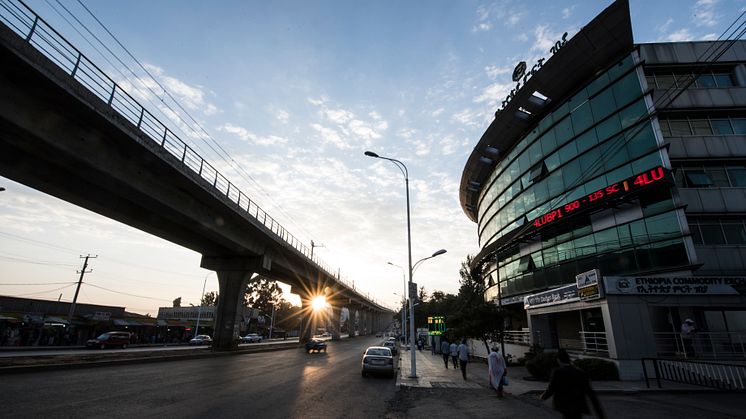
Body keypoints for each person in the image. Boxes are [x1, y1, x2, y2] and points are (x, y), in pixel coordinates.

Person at [540, 349, 605, 419]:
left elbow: (551, 388)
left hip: (565, 406)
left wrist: (543, 397)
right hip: (578, 407)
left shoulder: (558, 372)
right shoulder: (581, 373)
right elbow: (591, 394)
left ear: (558, 360)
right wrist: (600, 414)